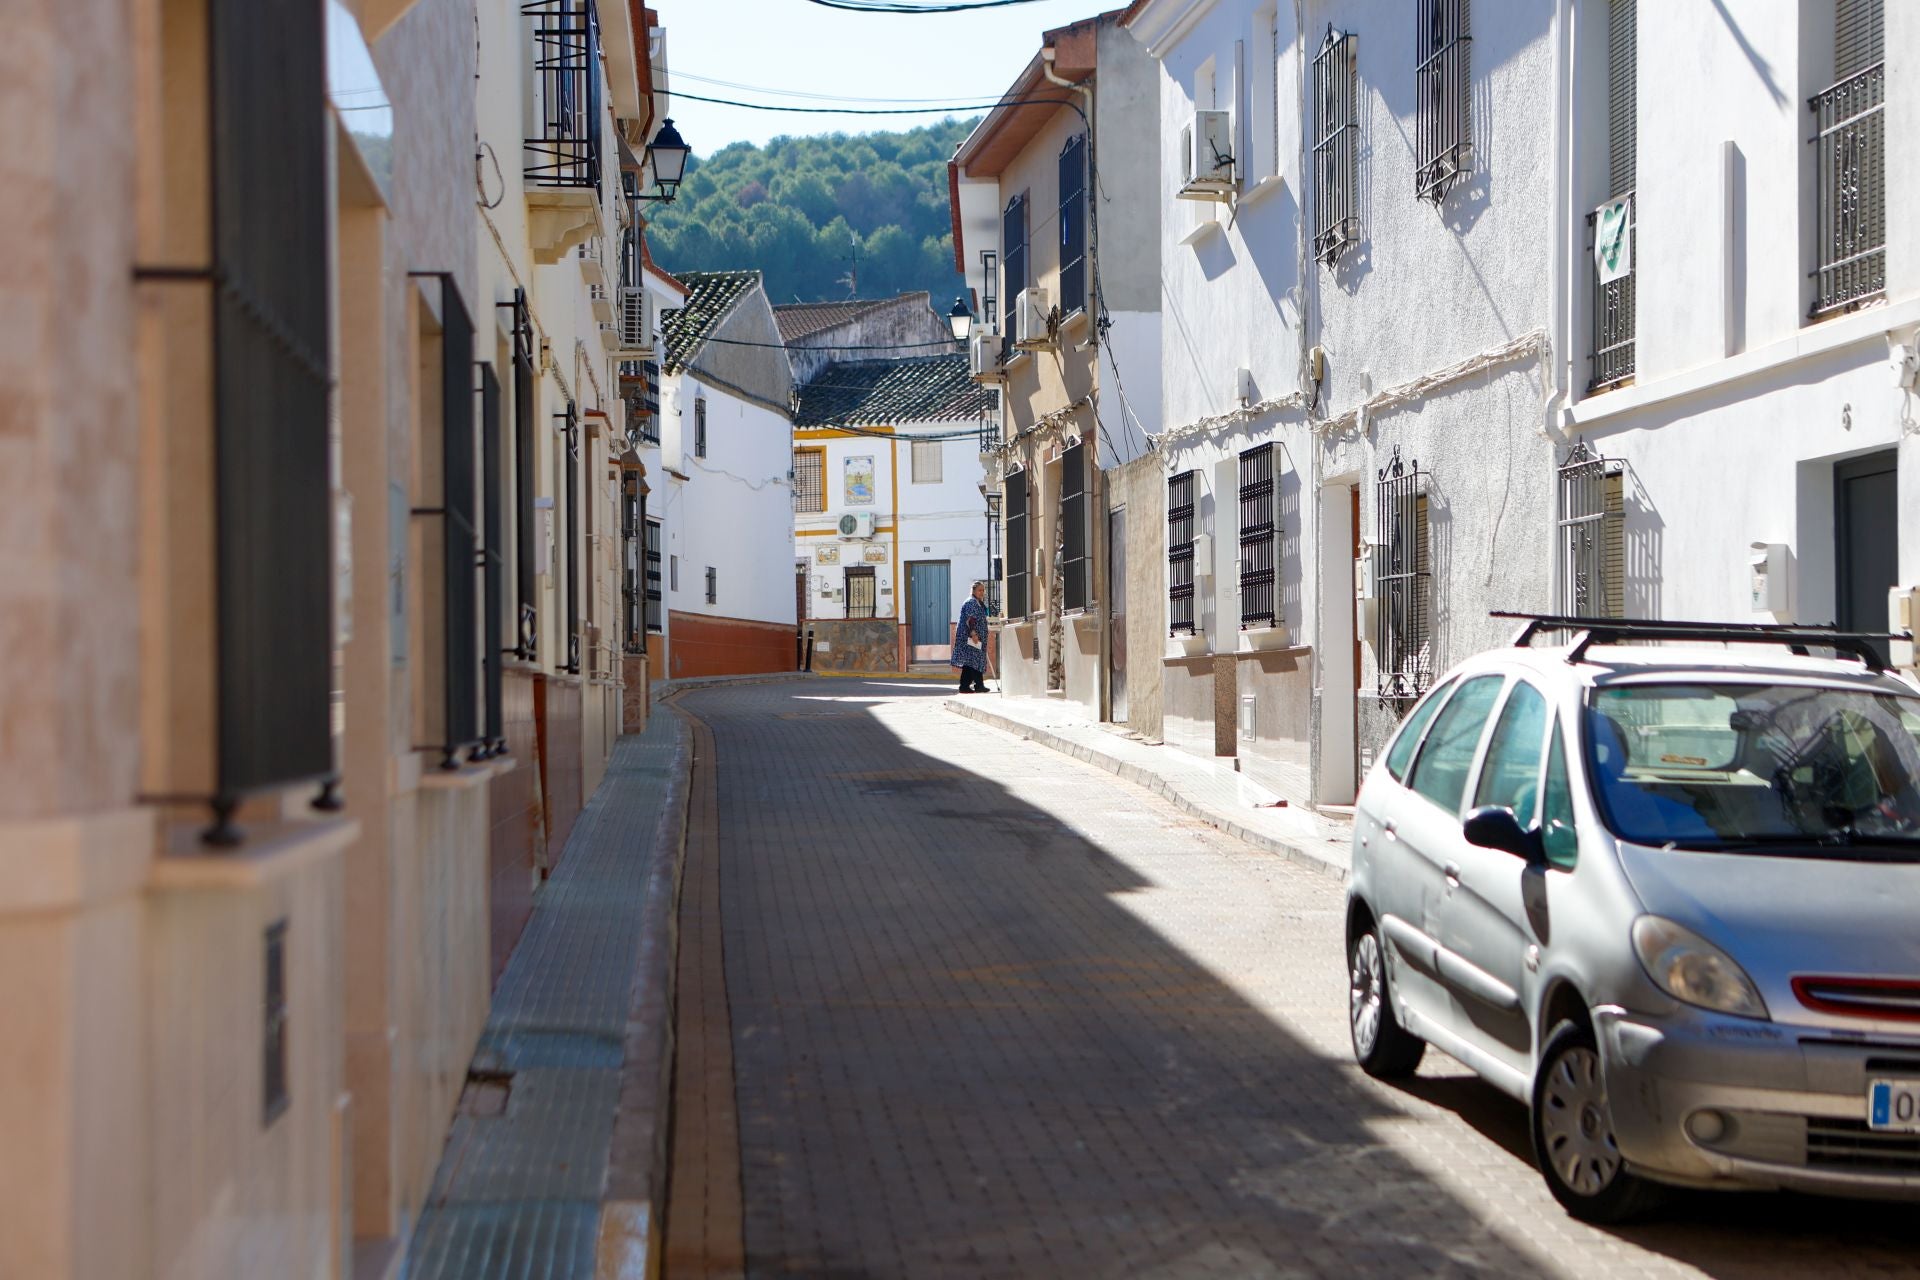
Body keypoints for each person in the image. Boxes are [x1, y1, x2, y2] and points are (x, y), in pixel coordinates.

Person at [952, 580, 990, 693]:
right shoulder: (971, 602)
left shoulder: (978, 602)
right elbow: (970, 620)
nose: (982, 592)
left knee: (970, 662)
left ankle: (964, 686)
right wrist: (973, 634)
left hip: (974, 637)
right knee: (974, 661)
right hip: (970, 637)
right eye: (979, 590)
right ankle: (978, 685)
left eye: (983, 590)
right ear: (973, 591)